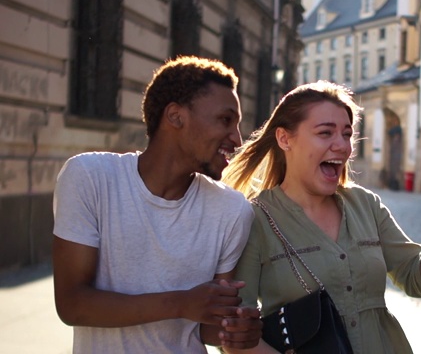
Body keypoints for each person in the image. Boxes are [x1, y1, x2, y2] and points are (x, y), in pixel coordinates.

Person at [221, 80, 421, 353]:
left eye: (346, 134)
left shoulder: (365, 204)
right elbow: (237, 335)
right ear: (285, 139)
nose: (342, 146)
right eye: (325, 133)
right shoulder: (255, 219)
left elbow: (415, 273)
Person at [52, 56, 263, 353]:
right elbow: (73, 304)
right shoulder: (89, 177)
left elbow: (208, 326)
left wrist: (236, 329)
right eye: (226, 120)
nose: (237, 138)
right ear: (175, 116)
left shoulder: (232, 209)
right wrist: (180, 303)